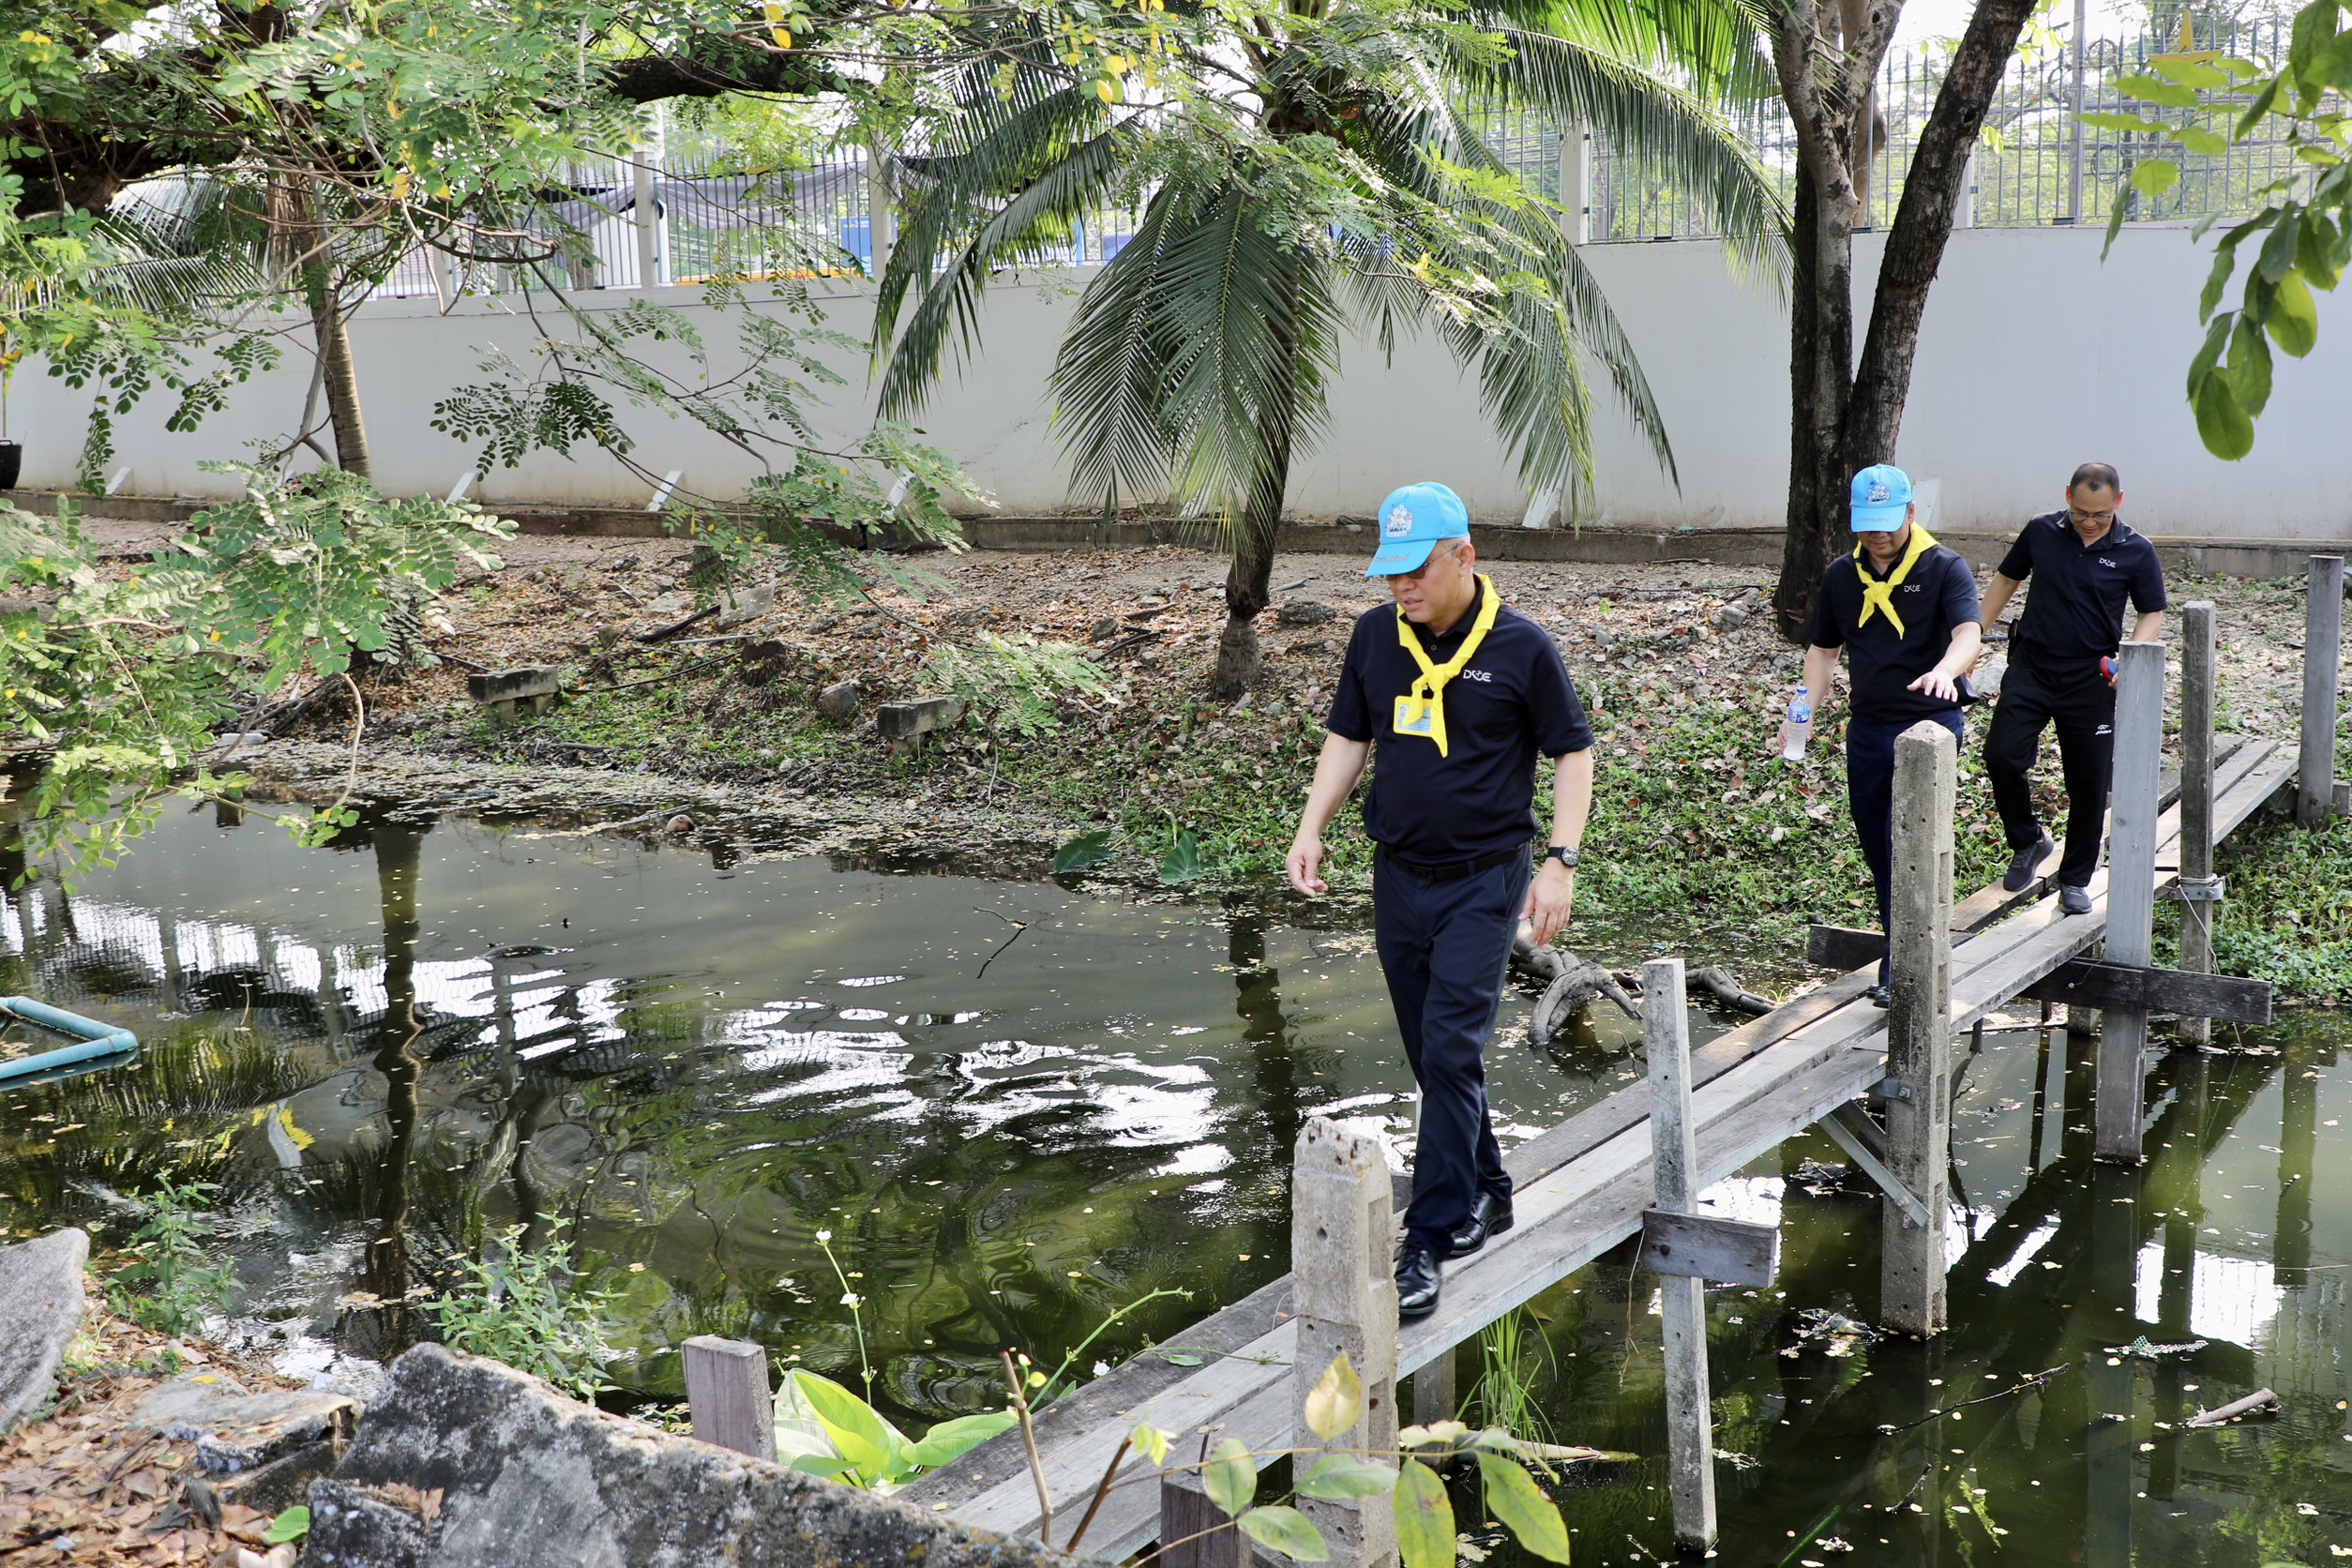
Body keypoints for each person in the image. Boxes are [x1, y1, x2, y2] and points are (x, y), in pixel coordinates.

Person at [1286, 481, 1594, 1320]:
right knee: (1432, 1054)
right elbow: (1349, 738)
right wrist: (1312, 827)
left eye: (1416, 570)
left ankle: (1425, 1238)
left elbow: (1572, 753)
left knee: (1451, 1051)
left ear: (1464, 556)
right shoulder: (1375, 636)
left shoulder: (1521, 646)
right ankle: (1490, 1187)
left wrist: (1559, 863)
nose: (1402, 587)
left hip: (1485, 881)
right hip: (1399, 876)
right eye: (1390, 573)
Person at [1784, 464, 1983, 1004]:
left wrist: (1946, 670)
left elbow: (1969, 632)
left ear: (1911, 514)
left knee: (1912, 846)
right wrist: (1804, 708)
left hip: (1931, 728)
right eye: (1868, 524)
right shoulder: (1841, 576)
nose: (1878, 534)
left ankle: (1904, 970)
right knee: (1880, 851)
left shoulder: (1944, 567)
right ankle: (1904, 952)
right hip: (1870, 731)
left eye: (1889, 522)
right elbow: (1824, 651)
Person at [1976, 462, 2166, 915]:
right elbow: (2007, 579)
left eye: (2100, 514)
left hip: (2090, 677)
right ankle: (2028, 840)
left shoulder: (2136, 550)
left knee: (2088, 782)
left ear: (2118, 503)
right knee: (2001, 756)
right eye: (2081, 512)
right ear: (2067, 497)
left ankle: (2076, 878)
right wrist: (1973, 634)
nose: (2089, 522)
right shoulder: (2042, 531)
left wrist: (2130, 659)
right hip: (2032, 667)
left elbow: (2152, 612)